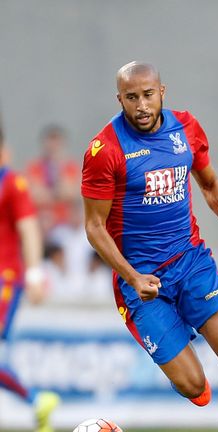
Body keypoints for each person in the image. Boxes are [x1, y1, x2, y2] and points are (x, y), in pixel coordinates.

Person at [81, 61, 218, 431]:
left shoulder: (186, 127)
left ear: (162, 92)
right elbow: (93, 228)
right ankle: (176, 341)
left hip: (191, 262)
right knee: (196, 389)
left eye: (148, 95)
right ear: (119, 98)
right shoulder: (104, 150)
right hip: (142, 283)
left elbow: (210, 183)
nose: (141, 105)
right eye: (131, 97)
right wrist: (133, 276)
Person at [0, 116, 60, 432]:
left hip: (5, 279)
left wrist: (35, 274)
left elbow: (28, 230)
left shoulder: (12, 183)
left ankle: (36, 400)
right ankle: (37, 402)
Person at [25, 124, 81, 235]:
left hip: (66, 224)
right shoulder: (34, 167)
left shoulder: (71, 167)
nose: (53, 145)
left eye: (57, 140)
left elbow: (71, 193)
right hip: (41, 224)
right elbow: (34, 195)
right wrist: (58, 194)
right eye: (51, 140)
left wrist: (58, 167)